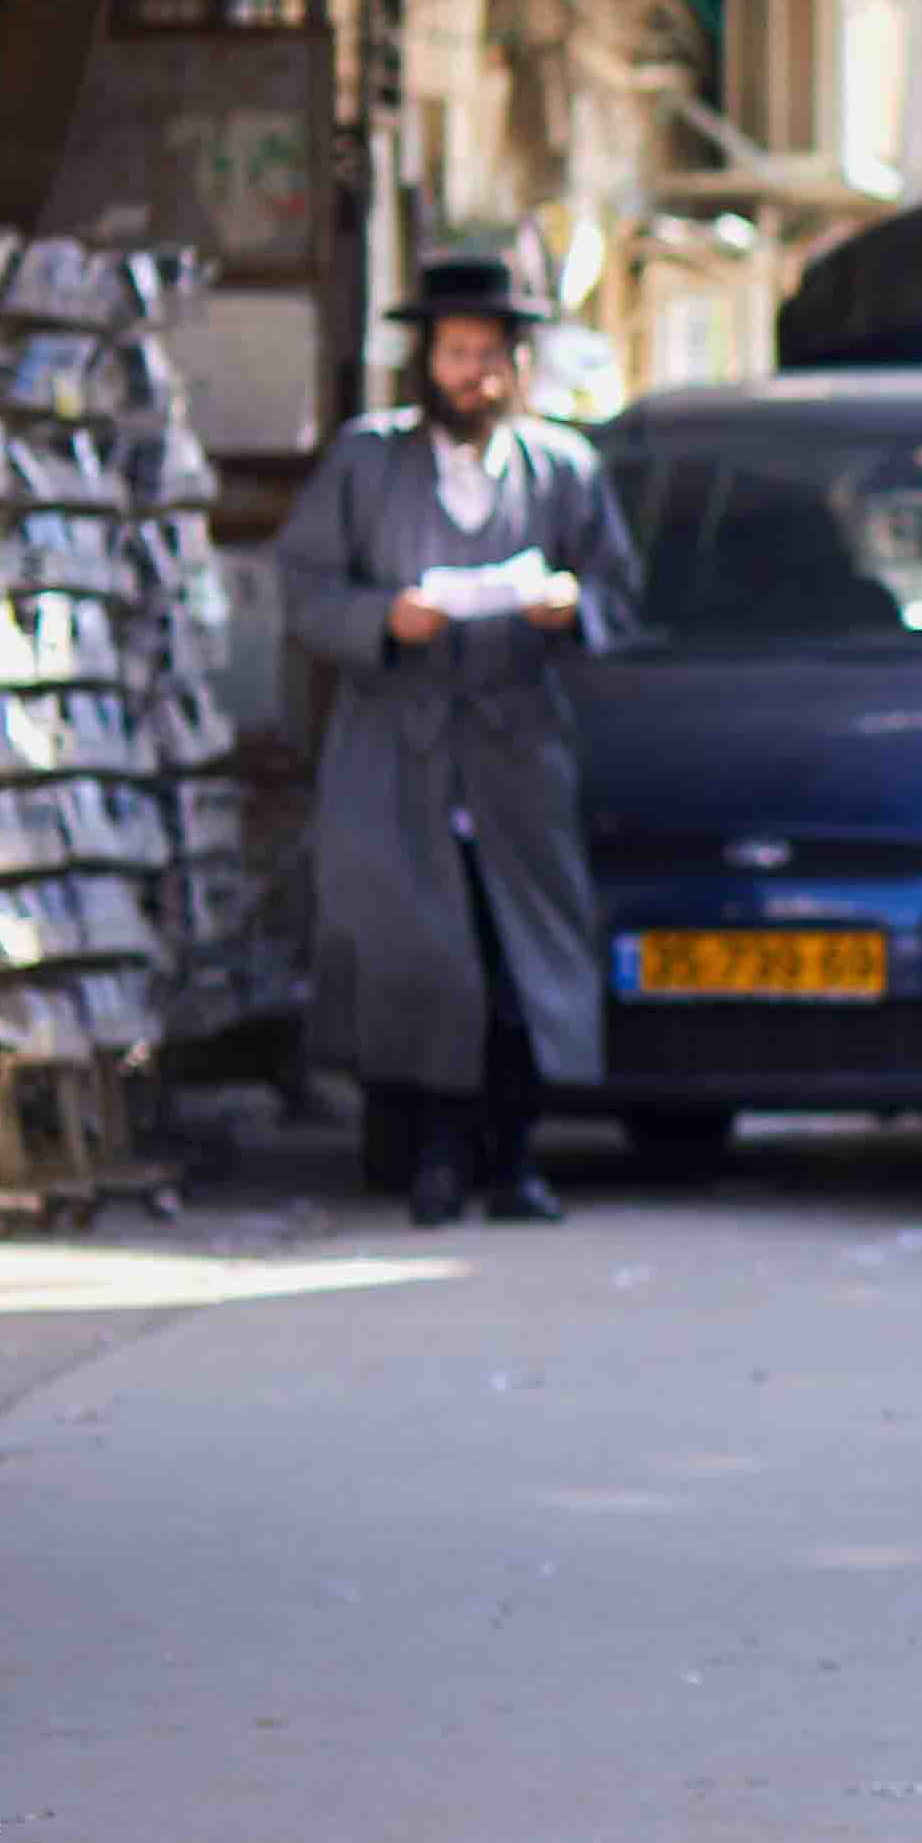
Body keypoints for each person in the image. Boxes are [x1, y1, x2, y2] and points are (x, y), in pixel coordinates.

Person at [273, 254, 637, 1229]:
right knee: (423, 961)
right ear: (426, 359)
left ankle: (515, 1161)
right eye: (455, 352)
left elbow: (617, 589)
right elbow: (306, 588)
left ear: (517, 366)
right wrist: (387, 618)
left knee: (521, 963)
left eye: (489, 356)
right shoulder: (366, 458)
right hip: (399, 750)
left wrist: (571, 606)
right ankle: (433, 1161)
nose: (471, 373)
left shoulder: (563, 466)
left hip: (516, 750)